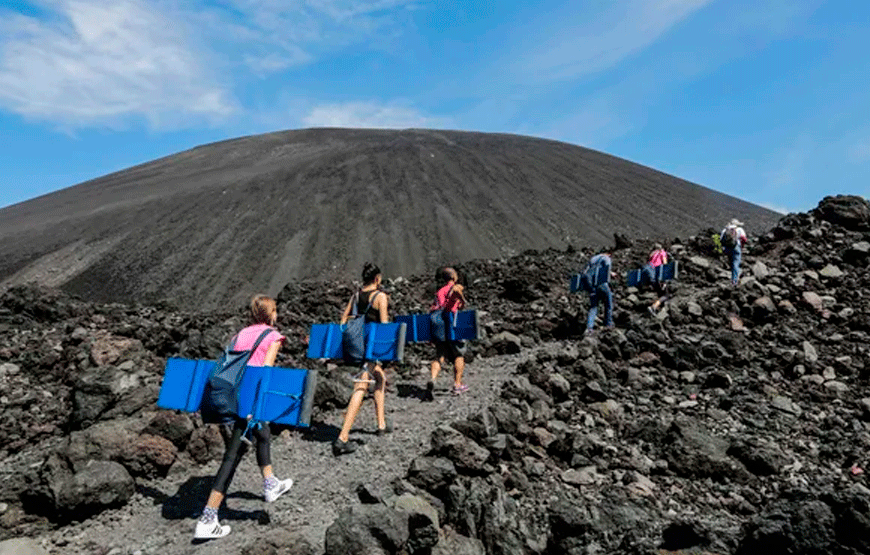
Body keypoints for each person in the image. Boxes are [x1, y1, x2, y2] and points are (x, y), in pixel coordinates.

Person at [195, 295, 294, 541]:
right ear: (271, 314)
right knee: (234, 454)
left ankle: (270, 483)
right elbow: (265, 374)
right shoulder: (272, 336)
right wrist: (256, 407)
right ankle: (208, 517)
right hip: (249, 401)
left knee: (263, 433)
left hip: (232, 397)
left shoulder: (240, 335)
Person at [332, 262, 391, 456]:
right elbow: (384, 326)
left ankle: (381, 425)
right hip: (371, 349)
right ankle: (342, 437)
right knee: (362, 386)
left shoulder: (355, 296)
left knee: (380, 378)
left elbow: (343, 320)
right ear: (377, 278)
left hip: (357, 346)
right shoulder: (380, 296)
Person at [424, 266, 468, 401]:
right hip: (451, 322)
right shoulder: (456, 287)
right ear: (453, 278)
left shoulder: (439, 291)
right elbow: (457, 296)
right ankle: (457, 384)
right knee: (459, 353)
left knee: (440, 354)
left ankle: (433, 378)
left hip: (438, 323)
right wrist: (463, 302)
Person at [584, 252, 615, 334]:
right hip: (601, 283)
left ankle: (589, 328)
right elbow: (607, 269)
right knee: (608, 303)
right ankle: (608, 324)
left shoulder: (593, 258)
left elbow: (586, 271)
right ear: (608, 253)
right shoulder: (606, 258)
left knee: (593, 307)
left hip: (592, 285)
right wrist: (608, 282)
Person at [720, 219, 748, 285]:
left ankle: (734, 275)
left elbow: (721, 240)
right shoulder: (739, 229)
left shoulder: (725, 230)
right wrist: (742, 246)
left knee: (731, 262)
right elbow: (744, 239)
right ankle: (734, 281)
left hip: (727, 248)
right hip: (736, 247)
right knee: (736, 263)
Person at [644, 244, 669, 314]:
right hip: (658, 275)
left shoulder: (652, 254)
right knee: (666, 295)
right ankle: (653, 307)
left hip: (651, 277)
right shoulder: (662, 252)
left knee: (659, 293)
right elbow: (664, 265)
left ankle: (657, 309)